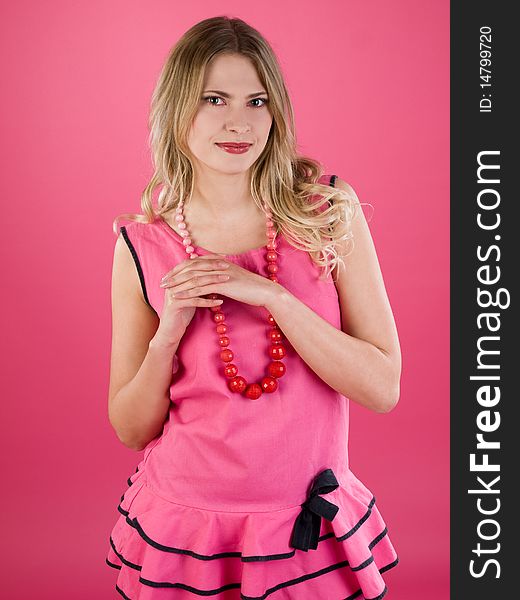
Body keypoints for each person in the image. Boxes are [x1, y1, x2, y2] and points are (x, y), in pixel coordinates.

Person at [105, 15, 402, 600]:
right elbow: (130, 427)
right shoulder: (141, 245)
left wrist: (275, 298)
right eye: (213, 99)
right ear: (176, 109)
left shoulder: (327, 211)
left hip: (300, 525)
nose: (237, 121)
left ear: (277, 112)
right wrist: (168, 335)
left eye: (257, 100)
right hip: (187, 524)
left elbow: (382, 388)